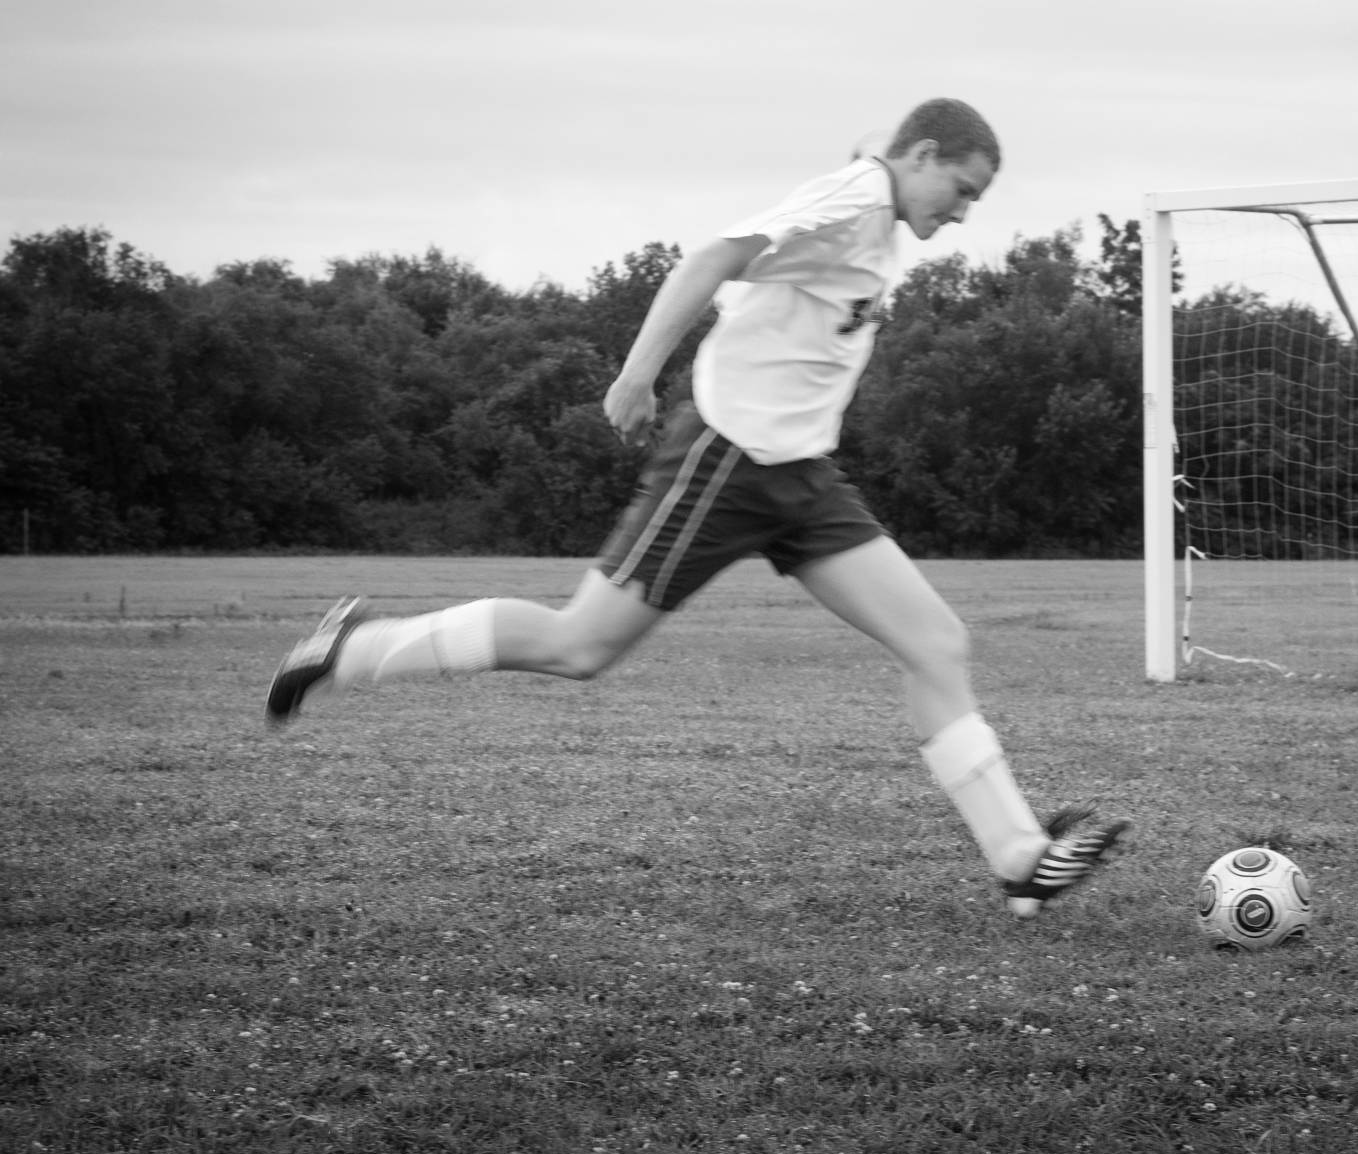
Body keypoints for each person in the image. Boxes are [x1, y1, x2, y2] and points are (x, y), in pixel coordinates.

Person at [265, 97, 1129, 919]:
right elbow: (710, 257)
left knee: (936, 642)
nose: (965, 212)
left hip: (801, 477)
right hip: (726, 462)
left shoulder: (875, 201)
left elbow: (835, 224)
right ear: (922, 156)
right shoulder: (854, 200)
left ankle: (1019, 859)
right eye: (962, 190)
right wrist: (636, 373)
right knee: (578, 647)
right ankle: (352, 650)